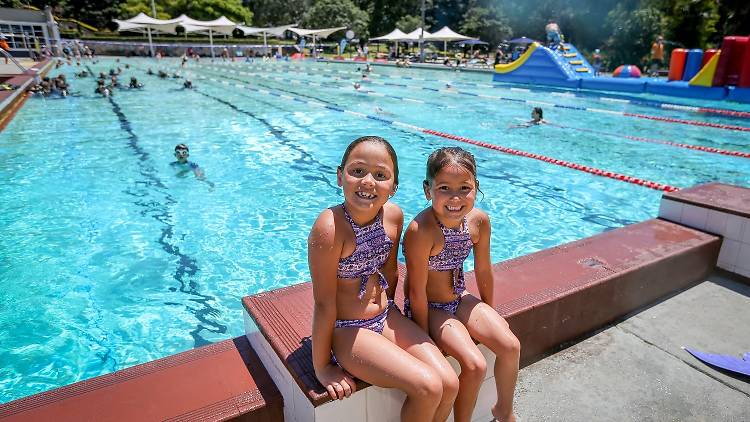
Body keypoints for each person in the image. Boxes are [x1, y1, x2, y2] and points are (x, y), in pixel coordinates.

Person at [310, 136, 459, 420]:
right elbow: (324, 303)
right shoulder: (330, 228)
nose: (368, 181)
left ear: (393, 187)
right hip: (348, 329)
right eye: (357, 171)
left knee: (449, 383)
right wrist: (322, 367)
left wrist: (404, 321)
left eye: (380, 175)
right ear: (340, 176)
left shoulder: (393, 217)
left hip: (386, 317)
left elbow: (389, 271)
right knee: (427, 387)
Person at [402, 147, 520, 422]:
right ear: (427, 190)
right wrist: (424, 340)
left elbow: (483, 270)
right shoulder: (421, 230)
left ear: (476, 188)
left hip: (460, 297)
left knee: (511, 346)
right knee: (476, 365)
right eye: (444, 188)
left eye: (464, 188)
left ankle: (504, 410)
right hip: (431, 308)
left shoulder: (479, 221)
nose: (455, 198)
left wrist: (490, 311)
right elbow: (416, 291)